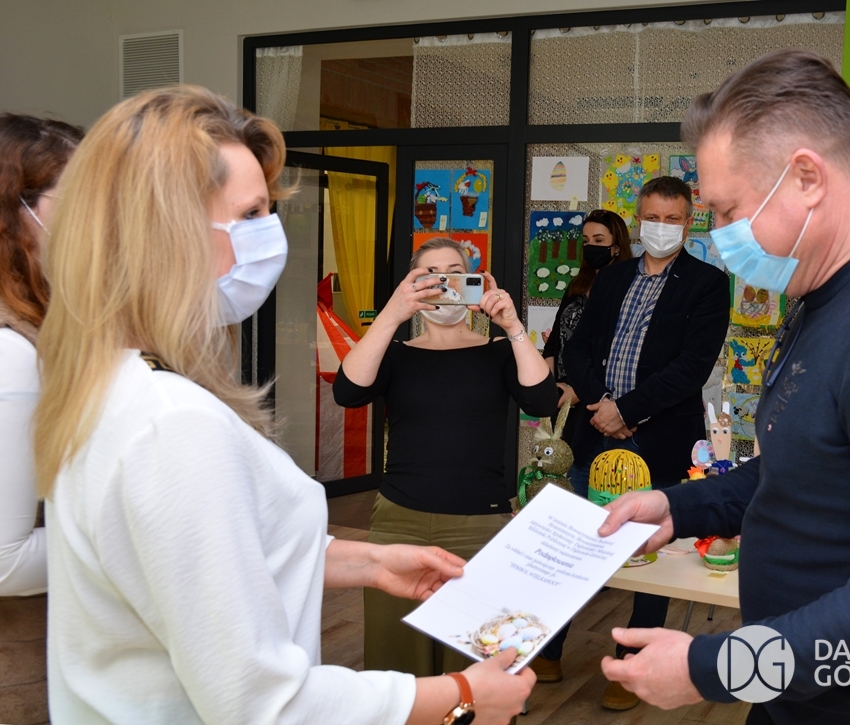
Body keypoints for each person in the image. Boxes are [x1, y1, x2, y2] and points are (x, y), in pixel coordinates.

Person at [35, 86, 533, 725]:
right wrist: (460, 695)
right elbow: (260, 702)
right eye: (249, 215)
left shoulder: (115, 385)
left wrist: (368, 559)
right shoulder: (173, 425)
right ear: (169, 232)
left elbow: (209, 562)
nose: (269, 237)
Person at [595, 50, 850, 725]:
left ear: (807, 177)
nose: (719, 237)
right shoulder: (829, 297)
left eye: (728, 210)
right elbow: (803, 469)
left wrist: (712, 668)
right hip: (798, 695)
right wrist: (677, 507)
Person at [333, 236, 557, 678]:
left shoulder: (498, 351)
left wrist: (512, 326)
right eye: (430, 275)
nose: (444, 283)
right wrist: (392, 314)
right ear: (412, 286)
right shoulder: (395, 354)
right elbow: (348, 392)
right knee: (397, 663)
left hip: (481, 524)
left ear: (475, 281)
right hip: (398, 523)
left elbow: (542, 401)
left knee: (477, 660)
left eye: (456, 273)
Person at [551, 175, 730, 710]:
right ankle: (548, 649)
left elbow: (692, 367)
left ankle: (631, 668)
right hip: (595, 432)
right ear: (639, 216)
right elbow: (577, 348)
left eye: (673, 219)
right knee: (579, 546)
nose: (661, 227)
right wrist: (601, 404)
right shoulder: (612, 276)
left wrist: (626, 411)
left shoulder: (707, 283)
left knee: (653, 557)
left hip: (661, 439)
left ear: (689, 223)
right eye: (653, 217)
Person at [0, 113, 82, 598]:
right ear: (15, 216)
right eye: (76, 201)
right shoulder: (12, 353)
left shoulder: (38, 328)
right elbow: (5, 562)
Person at [541, 208, 632, 439]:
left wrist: (580, 391)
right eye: (586, 241)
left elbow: (616, 350)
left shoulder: (627, 289)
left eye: (599, 241)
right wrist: (550, 389)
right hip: (562, 399)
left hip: (600, 402)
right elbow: (553, 343)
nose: (591, 246)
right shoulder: (577, 286)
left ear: (617, 247)